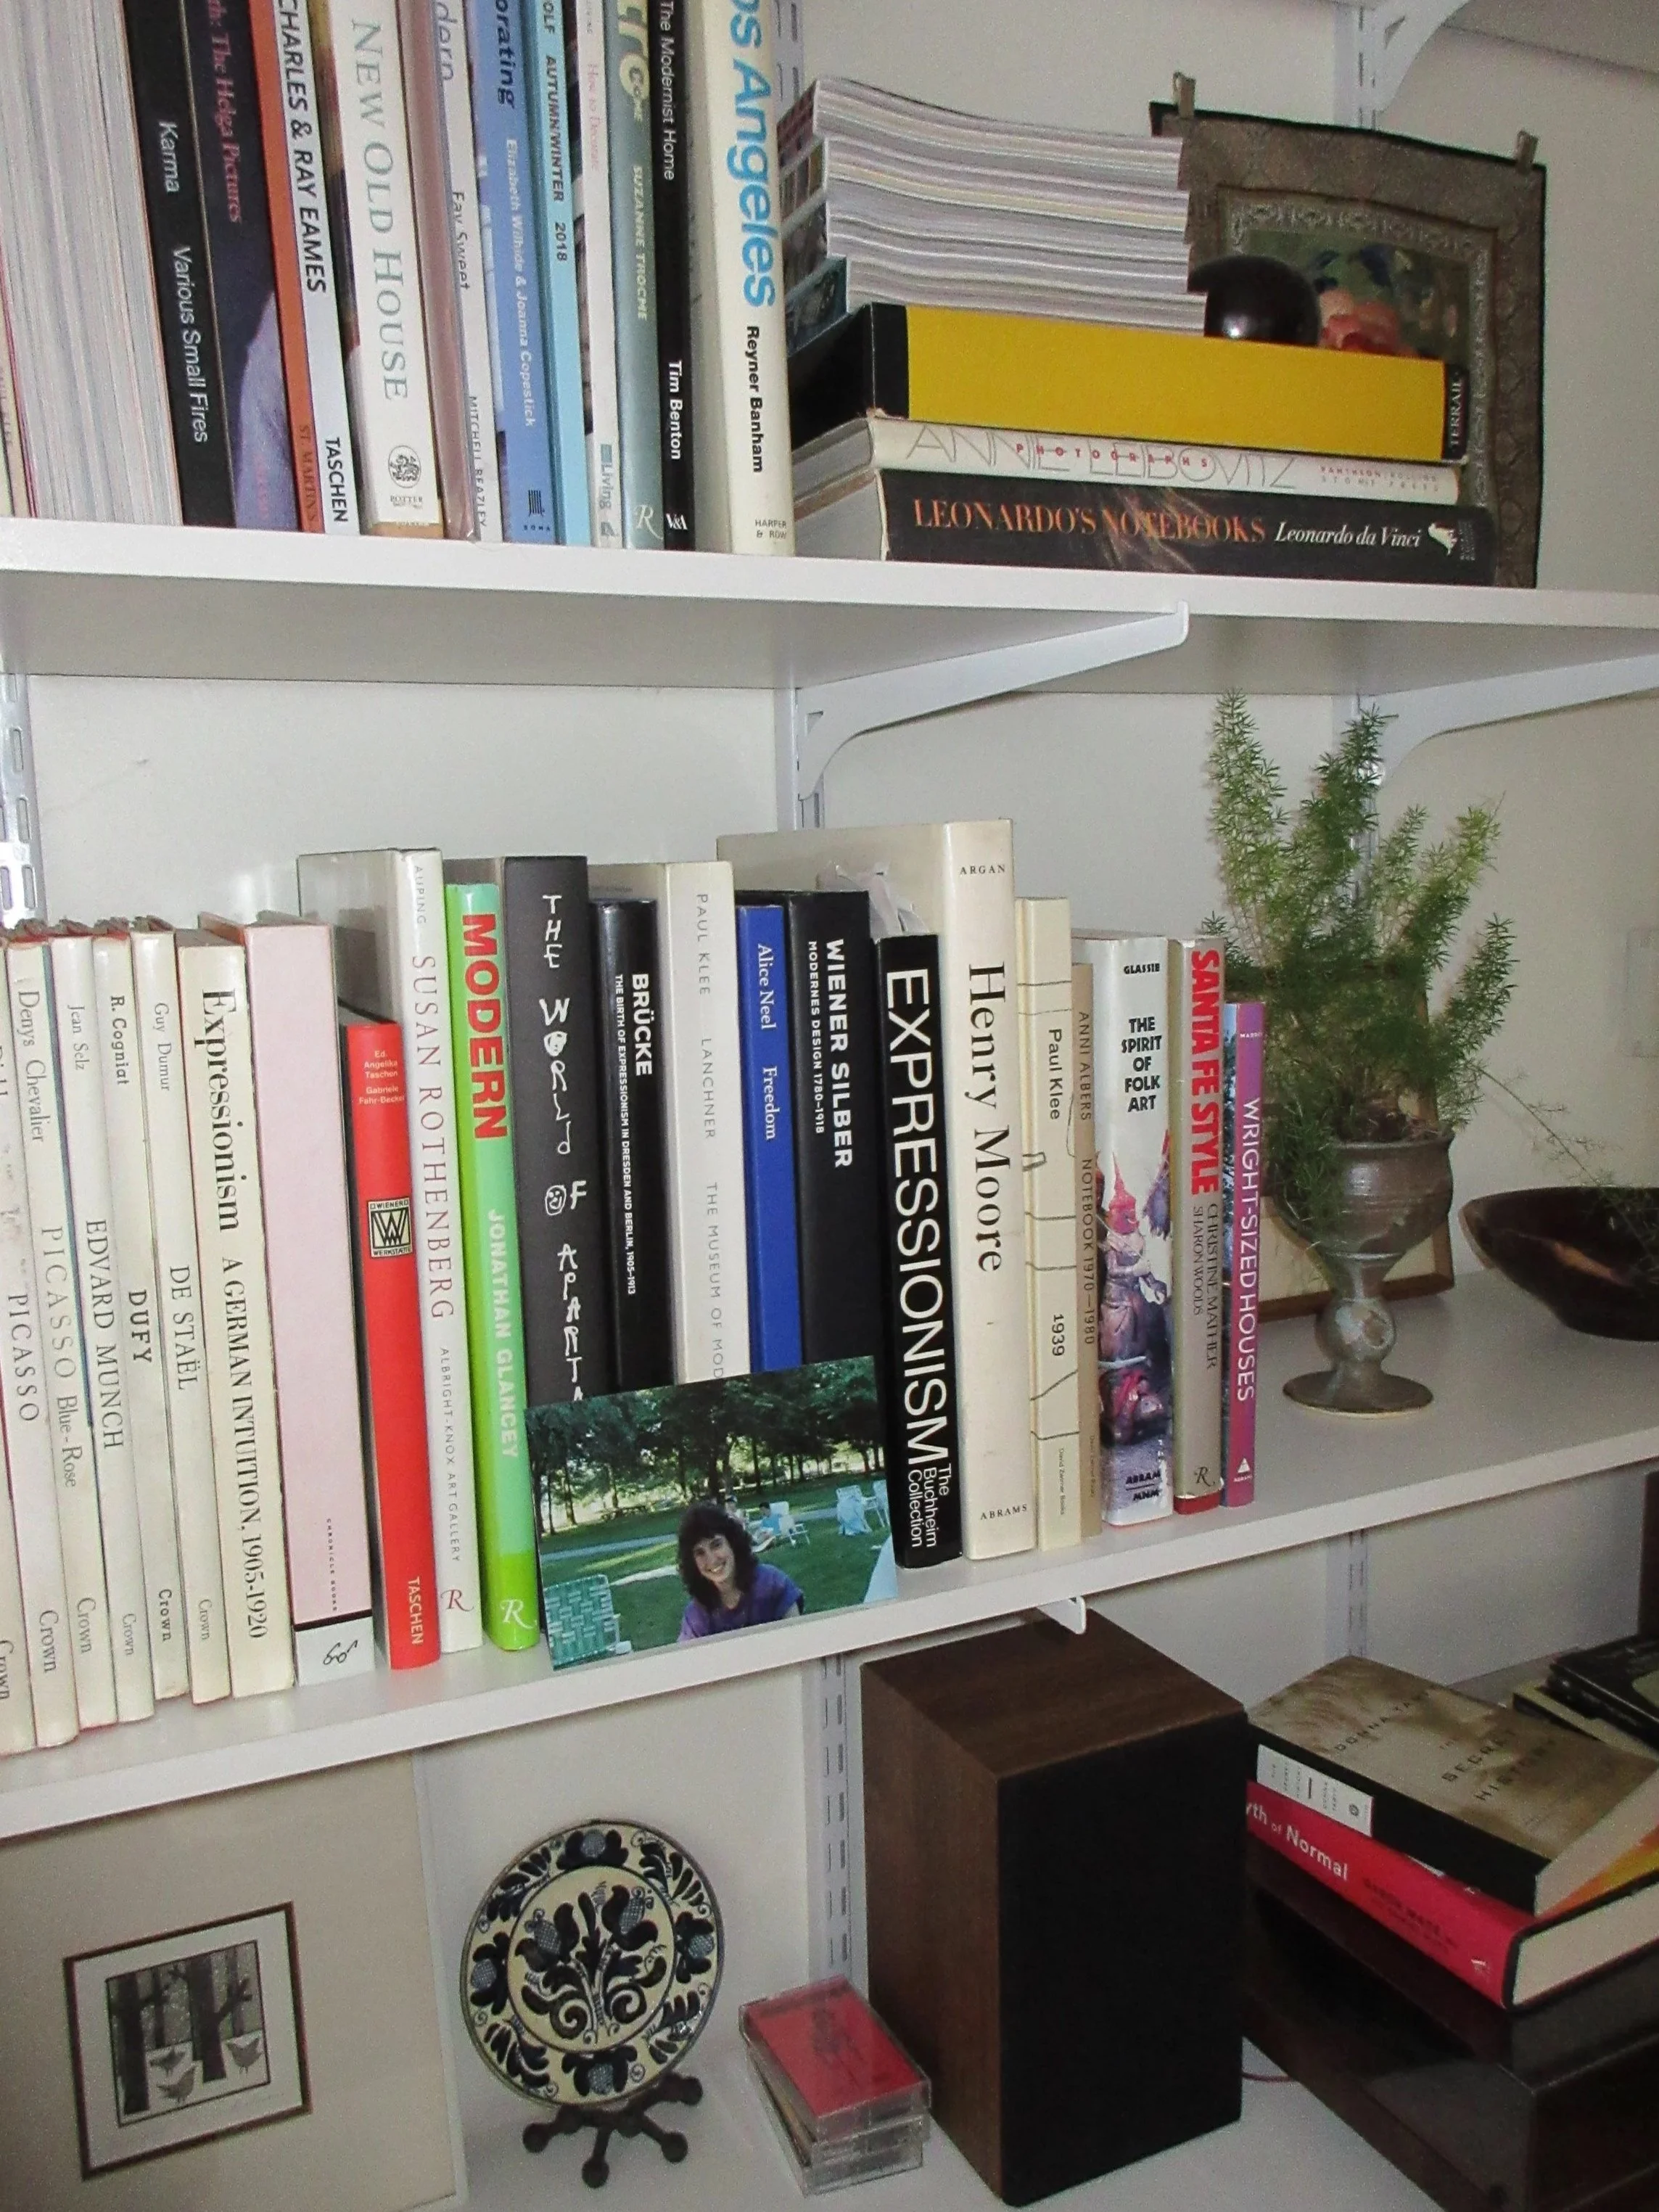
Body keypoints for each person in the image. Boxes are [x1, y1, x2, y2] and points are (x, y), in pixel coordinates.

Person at [675, 1502, 804, 1640]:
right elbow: (688, 1659)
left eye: (716, 1545)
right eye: (700, 1553)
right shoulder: (696, 1617)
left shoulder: (773, 1584)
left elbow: (799, 1642)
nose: (712, 1560)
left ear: (733, 1543)